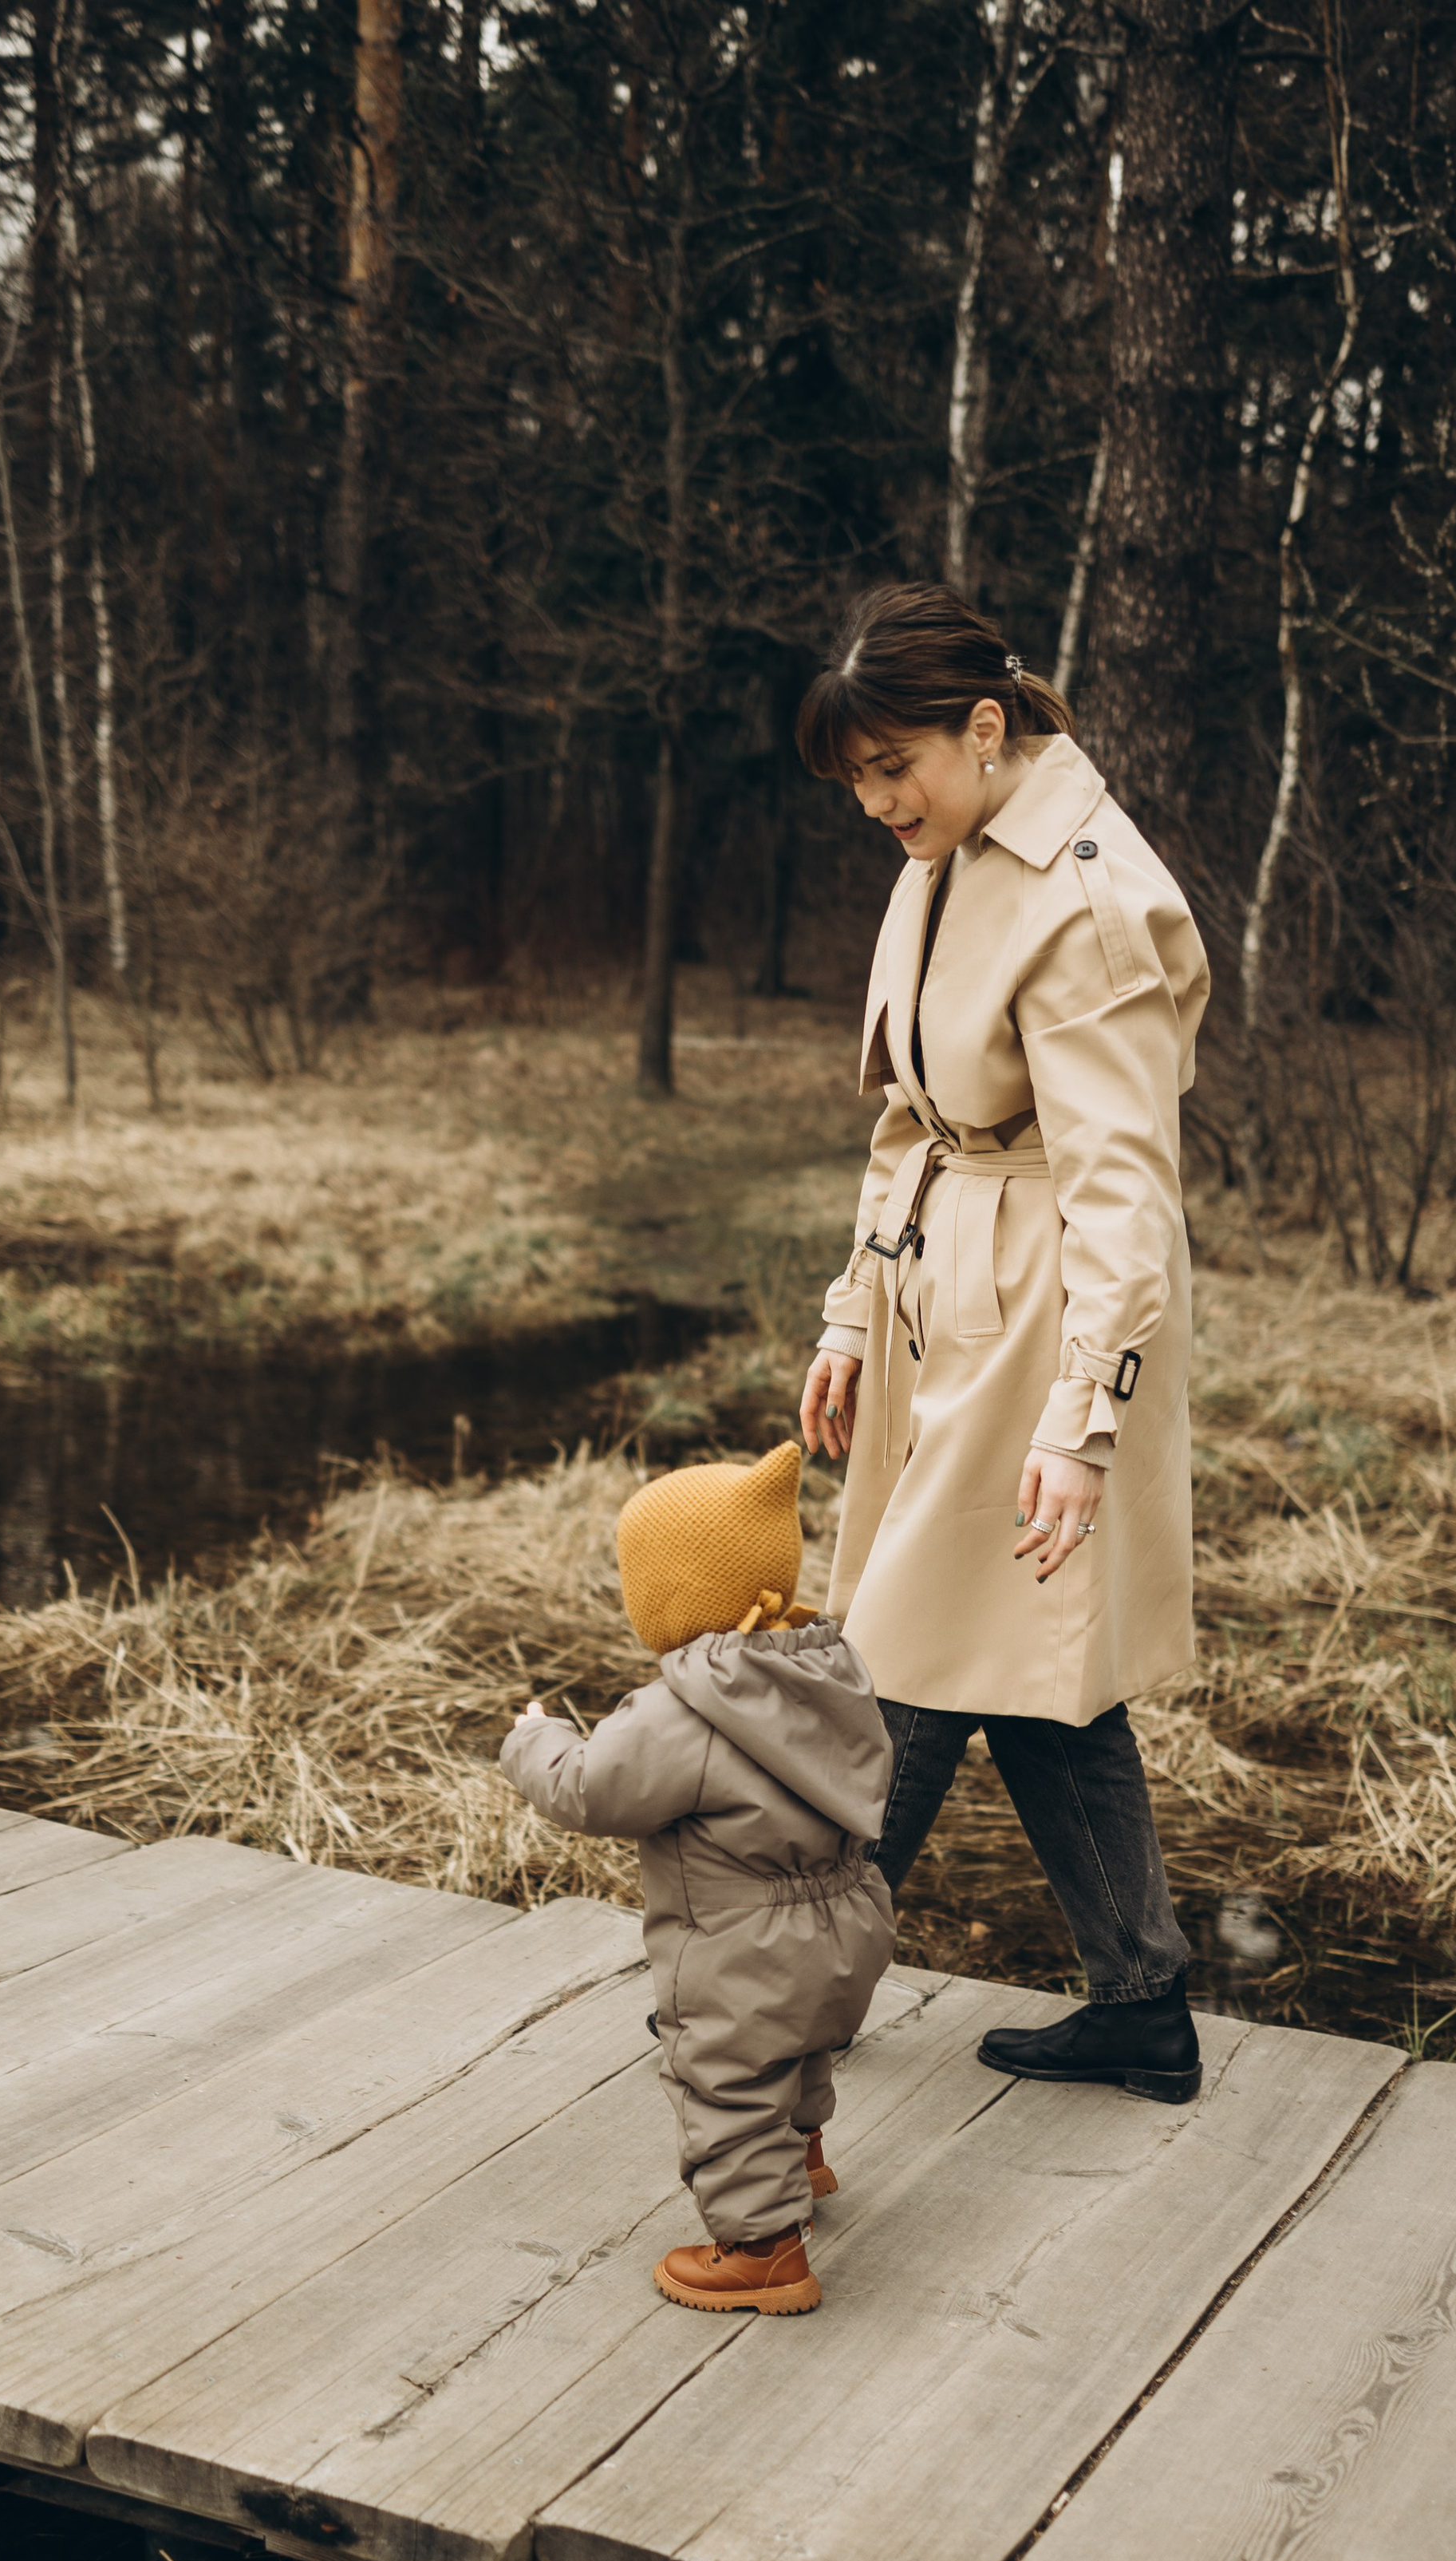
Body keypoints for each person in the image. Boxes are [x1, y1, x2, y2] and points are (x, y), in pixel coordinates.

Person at [796, 579, 1208, 2105]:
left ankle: (790, 1986)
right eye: (855, 779)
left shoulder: (1082, 896)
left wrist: (1081, 1418)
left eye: (894, 765)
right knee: (1030, 1658)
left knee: (906, 1649)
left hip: (1046, 1311)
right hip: (941, 1287)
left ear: (986, 726)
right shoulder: (948, 852)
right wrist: (855, 1309)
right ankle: (1145, 1998)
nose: (876, 801)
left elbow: (1123, 1186)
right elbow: (913, 1110)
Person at [499, 1441, 894, 2316]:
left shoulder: (687, 1709)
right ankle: (803, 2160)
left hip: (741, 1942)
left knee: (725, 2079)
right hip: (852, 1917)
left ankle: (762, 2252)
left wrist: (534, 1736)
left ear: (668, 1597)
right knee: (798, 2045)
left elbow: (586, 1788)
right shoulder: (828, 1666)